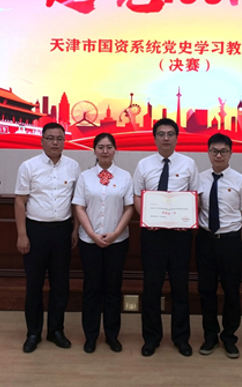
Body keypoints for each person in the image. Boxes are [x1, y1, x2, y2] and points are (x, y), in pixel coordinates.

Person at [133, 118, 200, 357]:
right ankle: (151, 338)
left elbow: (195, 196)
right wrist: (147, 218)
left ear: (177, 138)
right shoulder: (143, 164)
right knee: (151, 287)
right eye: (161, 134)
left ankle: (181, 338)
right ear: (154, 138)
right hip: (153, 235)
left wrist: (187, 220)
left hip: (180, 236)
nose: (166, 138)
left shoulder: (189, 164)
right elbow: (137, 197)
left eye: (170, 134)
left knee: (180, 287)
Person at [14, 122, 81, 353]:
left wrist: (75, 230)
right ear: (42, 141)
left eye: (59, 138)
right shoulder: (28, 166)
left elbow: (76, 201)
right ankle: (33, 333)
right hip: (36, 231)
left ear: (64, 141)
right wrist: (22, 234)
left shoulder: (73, 166)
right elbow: (20, 201)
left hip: (62, 230)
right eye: (50, 138)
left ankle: (55, 331)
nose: (55, 142)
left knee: (60, 284)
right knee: (34, 285)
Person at [72, 133, 134, 354]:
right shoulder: (85, 177)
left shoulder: (125, 176)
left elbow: (129, 208)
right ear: (94, 150)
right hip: (89, 242)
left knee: (113, 289)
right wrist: (92, 234)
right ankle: (90, 336)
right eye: (100, 147)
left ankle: (112, 335)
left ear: (115, 150)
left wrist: (116, 233)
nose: (105, 151)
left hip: (117, 242)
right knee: (91, 288)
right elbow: (79, 207)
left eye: (109, 147)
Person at [196, 133, 242, 359]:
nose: (218, 155)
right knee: (206, 291)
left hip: (230, 242)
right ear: (208, 153)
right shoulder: (198, 179)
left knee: (231, 292)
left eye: (223, 151)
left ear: (230, 153)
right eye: (214, 151)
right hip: (205, 240)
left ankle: (229, 337)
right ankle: (210, 336)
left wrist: (240, 240)